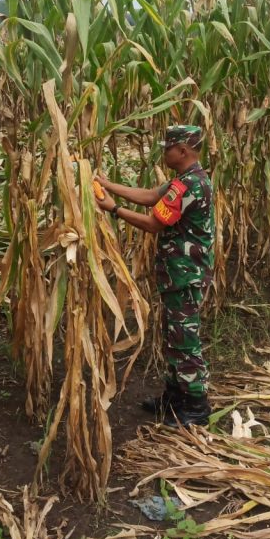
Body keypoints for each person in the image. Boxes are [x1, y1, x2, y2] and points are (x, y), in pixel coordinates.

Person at [94, 125, 215, 427]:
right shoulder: (186, 179)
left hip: (185, 275)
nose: (164, 153)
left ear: (183, 150)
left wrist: (114, 209)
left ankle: (196, 407)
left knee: (184, 340)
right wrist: (107, 185)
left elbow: (153, 224)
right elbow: (150, 196)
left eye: (168, 148)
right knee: (173, 336)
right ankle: (175, 397)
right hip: (178, 274)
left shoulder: (189, 186)